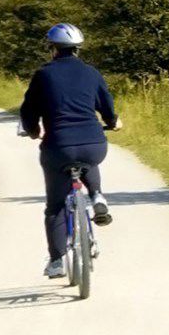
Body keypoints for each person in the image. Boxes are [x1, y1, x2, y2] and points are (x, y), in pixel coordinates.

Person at [18, 24, 117, 278]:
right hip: (94, 143)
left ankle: (57, 261)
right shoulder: (92, 73)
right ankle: (97, 196)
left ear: (52, 49)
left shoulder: (43, 75)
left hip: (58, 146)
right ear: (77, 49)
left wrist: (32, 130)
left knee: (55, 207)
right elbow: (107, 106)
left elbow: (28, 111)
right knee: (88, 159)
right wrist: (114, 122)